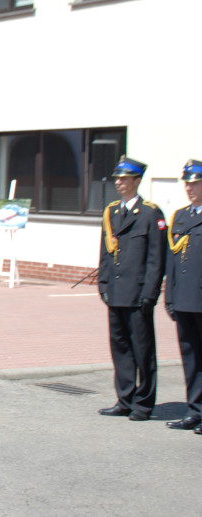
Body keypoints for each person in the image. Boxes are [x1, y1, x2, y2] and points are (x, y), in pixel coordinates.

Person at [96, 156, 165, 422]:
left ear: (137, 181)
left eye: (124, 178)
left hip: (138, 294)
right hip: (116, 290)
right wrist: (103, 282)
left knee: (143, 350)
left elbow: (156, 258)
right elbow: (105, 251)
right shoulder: (112, 211)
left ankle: (144, 404)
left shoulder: (150, 213)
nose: (119, 182)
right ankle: (124, 399)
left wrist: (150, 293)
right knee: (121, 348)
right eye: (117, 178)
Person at [164, 159, 202, 433]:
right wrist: (170, 294)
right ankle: (195, 410)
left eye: (195, 183)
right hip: (184, 299)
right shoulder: (181, 216)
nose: (189, 188)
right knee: (190, 356)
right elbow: (173, 260)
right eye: (187, 184)